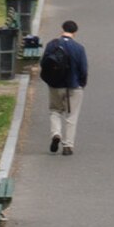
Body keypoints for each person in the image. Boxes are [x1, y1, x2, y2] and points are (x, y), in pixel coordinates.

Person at [40, 19, 87, 154]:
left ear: (62, 29)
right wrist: (81, 83)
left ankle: (56, 134)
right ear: (75, 32)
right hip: (73, 86)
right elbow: (83, 69)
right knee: (71, 116)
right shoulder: (79, 48)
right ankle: (68, 146)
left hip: (55, 85)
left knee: (55, 110)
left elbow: (44, 64)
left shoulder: (51, 45)